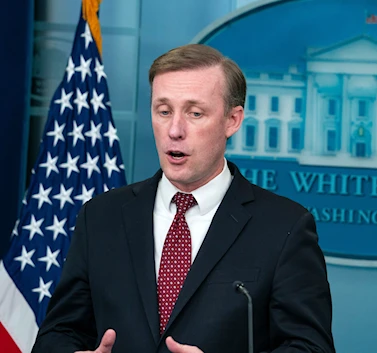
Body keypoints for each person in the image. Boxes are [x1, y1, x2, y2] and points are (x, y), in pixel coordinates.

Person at [32, 44, 335, 353]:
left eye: (195, 113)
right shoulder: (101, 216)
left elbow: (310, 348)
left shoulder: (284, 227)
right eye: (163, 111)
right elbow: (57, 333)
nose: (174, 130)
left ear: (233, 120)